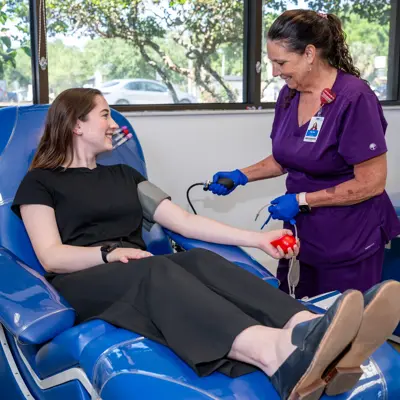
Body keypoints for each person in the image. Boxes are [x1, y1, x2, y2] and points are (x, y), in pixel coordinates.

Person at [11, 88, 400, 400]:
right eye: (105, 114)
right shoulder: (40, 182)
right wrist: (109, 253)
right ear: (77, 125)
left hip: (135, 268)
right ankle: (272, 354)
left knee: (199, 260)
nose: (114, 124)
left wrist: (257, 239)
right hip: (84, 277)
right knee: (158, 266)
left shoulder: (126, 175)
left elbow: (184, 221)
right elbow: (52, 255)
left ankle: (310, 328)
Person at [209, 9, 400, 299]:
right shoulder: (290, 95)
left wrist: (302, 200)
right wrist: (240, 176)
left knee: (340, 325)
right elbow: (288, 156)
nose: (274, 72)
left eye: (281, 62)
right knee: (293, 312)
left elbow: (371, 183)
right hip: (300, 234)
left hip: (347, 236)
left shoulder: (354, 98)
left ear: (309, 54)